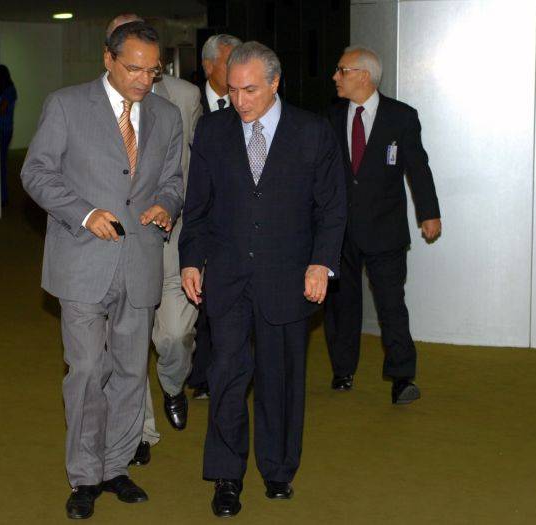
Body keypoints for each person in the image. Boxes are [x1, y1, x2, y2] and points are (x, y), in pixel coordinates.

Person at [20, 21, 184, 520]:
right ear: (108, 59)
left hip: (141, 259)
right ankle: (85, 476)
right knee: (88, 370)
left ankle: (116, 467)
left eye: (152, 71)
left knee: (132, 371)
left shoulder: (167, 115)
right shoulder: (66, 105)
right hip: (82, 261)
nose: (143, 80)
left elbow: (175, 179)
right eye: (133, 68)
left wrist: (166, 204)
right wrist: (84, 213)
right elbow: (35, 172)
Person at [179, 41, 346, 517]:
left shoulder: (311, 132)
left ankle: (278, 469)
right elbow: (198, 206)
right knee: (227, 376)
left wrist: (321, 262)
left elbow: (332, 207)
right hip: (228, 276)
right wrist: (191, 259)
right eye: (232, 90)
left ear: (275, 83)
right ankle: (226, 476)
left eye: (250, 90)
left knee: (281, 379)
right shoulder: (212, 131)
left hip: (288, 277)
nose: (240, 100)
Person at [103, 14, 202, 469]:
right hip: (121, 246)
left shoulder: (184, 98)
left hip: (173, 238)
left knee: (175, 336)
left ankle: (174, 384)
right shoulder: (91, 103)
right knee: (127, 340)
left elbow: (197, 168)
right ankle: (140, 429)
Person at [323, 45, 441, 404]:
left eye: (342, 70)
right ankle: (343, 370)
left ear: (363, 76)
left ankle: (402, 378)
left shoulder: (401, 117)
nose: (335, 77)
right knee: (341, 305)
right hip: (340, 231)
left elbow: (418, 167)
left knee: (391, 303)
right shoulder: (330, 117)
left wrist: (429, 212)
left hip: (385, 229)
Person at [186, 33, 242, 401]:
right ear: (208, 67)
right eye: (229, 62)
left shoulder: (249, 103)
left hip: (235, 221)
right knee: (197, 301)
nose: (238, 69)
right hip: (194, 214)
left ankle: (216, 372)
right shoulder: (185, 103)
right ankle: (200, 373)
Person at [0, 64, 17, 207]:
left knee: (1, 164)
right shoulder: (4, 89)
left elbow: (2, 109)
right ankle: (1, 195)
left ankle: (3, 196)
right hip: (2, 130)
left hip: (3, 130)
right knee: (0, 164)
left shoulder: (10, 90)